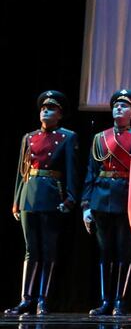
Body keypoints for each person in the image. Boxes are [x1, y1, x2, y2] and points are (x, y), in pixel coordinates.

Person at [5, 91, 79, 316]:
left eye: (52, 108)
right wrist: (17, 200)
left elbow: (71, 171)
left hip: (51, 196)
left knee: (48, 250)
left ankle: (42, 299)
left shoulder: (67, 137)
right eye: (43, 108)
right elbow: (21, 171)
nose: (46, 111)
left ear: (60, 114)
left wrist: (70, 198)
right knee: (31, 250)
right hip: (29, 195)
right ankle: (25, 298)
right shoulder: (29, 137)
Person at [82, 89, 131, 316]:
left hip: (126, 197)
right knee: (106, 252)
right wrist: (86, 205)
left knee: (125, 251)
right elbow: (91, 172)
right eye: (116, 104)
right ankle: (106, 300)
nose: (118, 108)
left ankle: (120, 300)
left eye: (124, 105)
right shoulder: (100, 138)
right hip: (101, 198)